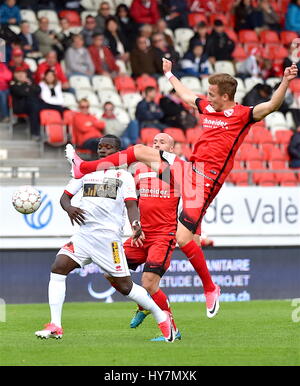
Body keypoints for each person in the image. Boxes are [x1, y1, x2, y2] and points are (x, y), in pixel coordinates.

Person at [65, 59, 298, 318]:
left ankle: (210, 288)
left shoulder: (242, 115)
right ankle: (83, 168)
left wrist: (286, 81)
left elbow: (272, 105)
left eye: (211, 93)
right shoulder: (208, 107)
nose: (206, 97)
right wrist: (168, 74)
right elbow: (187, 96)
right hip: (189, 170)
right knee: (142, 151)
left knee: (185, 238)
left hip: (206, 182)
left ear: (225, 96)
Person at [35, 135, 175, 342]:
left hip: (108, 240)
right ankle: (56, 325)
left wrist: (135, 225)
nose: (103, 150)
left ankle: (160, 315)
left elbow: (131, 205)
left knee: (126, 287)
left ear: (118, 153)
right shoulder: (85, 173)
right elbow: (64, 198)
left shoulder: (123, 176)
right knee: (58, 267)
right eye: (101, 147)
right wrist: (70, 208)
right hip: (83, 236)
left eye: (109, 147)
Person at [118, 133, 181, 341]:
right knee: (112, 266)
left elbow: (195, 202)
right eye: (154, 142)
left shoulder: (177, 171)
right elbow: (133, 202)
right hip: (142, 234)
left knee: (149, 283)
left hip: (163, 235)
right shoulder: (139, 170)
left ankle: (172, 330)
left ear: (171, 149)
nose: (156, 144)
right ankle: (144, 305)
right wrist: (135, 226)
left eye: (162, 142)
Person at [10, 70, 42, 139]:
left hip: (32, 107)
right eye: (18, 73)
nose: (20, 75)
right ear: (15, 75)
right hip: (20, 107)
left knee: (34, 107)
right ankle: (35, 133)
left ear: (26, 75)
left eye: (22, 73)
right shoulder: (13, 84)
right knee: (34, 105)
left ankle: (37, 133)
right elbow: (20, 93)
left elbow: (38, 90)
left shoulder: (31, 83)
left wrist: (29, 85)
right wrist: (27, 86)